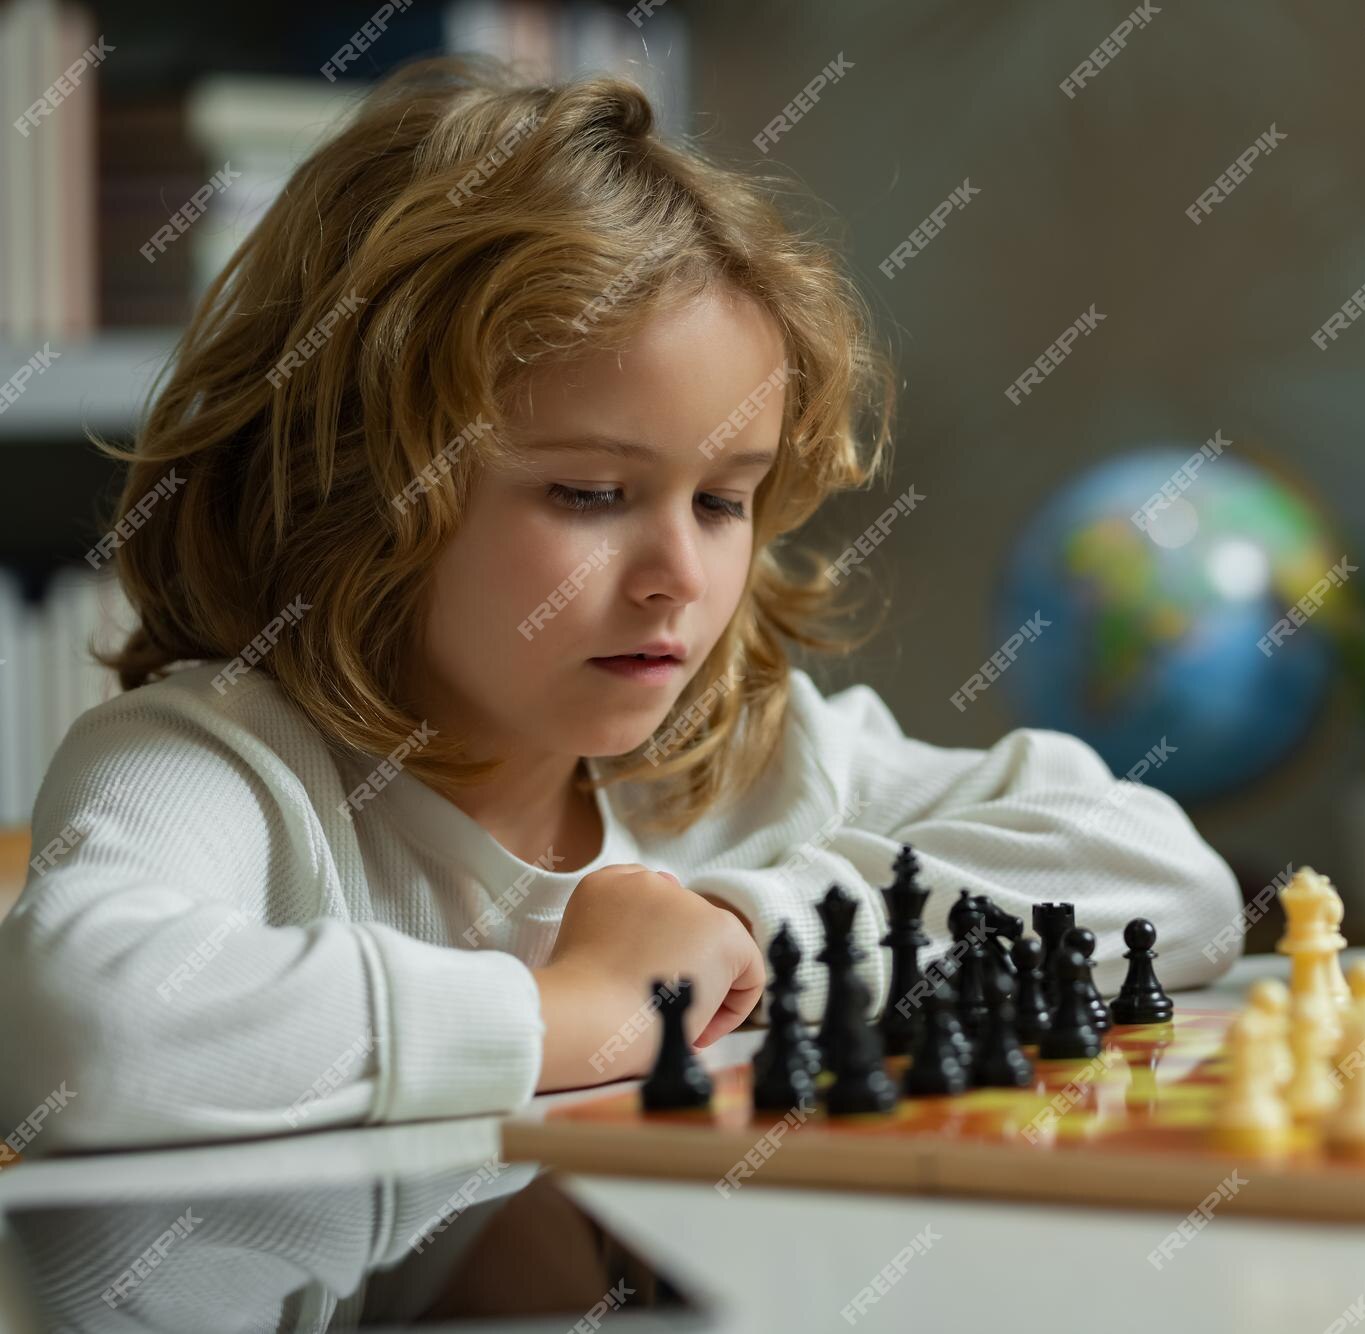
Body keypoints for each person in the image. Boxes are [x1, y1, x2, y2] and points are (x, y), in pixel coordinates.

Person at [0, 57, 1241, 1152]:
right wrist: (574, 1012)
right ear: (352, 488)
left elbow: (1170, 881)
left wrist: (737, 927)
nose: (679, 578)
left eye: (722, 500)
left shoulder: (747, 758)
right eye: (592, 492)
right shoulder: (221, 765)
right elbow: (87, 1034)